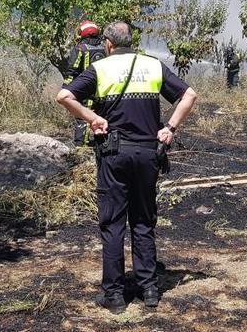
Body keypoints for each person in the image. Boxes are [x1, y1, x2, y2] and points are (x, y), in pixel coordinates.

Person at [56, 21, 198, 313]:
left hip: (114, 154)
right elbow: (189, 95)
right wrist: (169, 127)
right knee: (144, 221)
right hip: (148, 154)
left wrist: (92, 118)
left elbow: (64, 96)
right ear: (132, 42)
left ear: (108, 44)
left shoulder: (101, 69)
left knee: (113, 224)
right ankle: (149, 290)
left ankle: (115, 295)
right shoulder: (153, 66)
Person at [63, 20, 107, 146]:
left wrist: (66, 88)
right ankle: (102, 143)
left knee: (83, 117)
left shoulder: (80, 48)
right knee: (102, 116)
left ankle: (81, 147)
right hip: (104, 90)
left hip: (85, 90)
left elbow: (72, 69)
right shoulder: (105, 47)